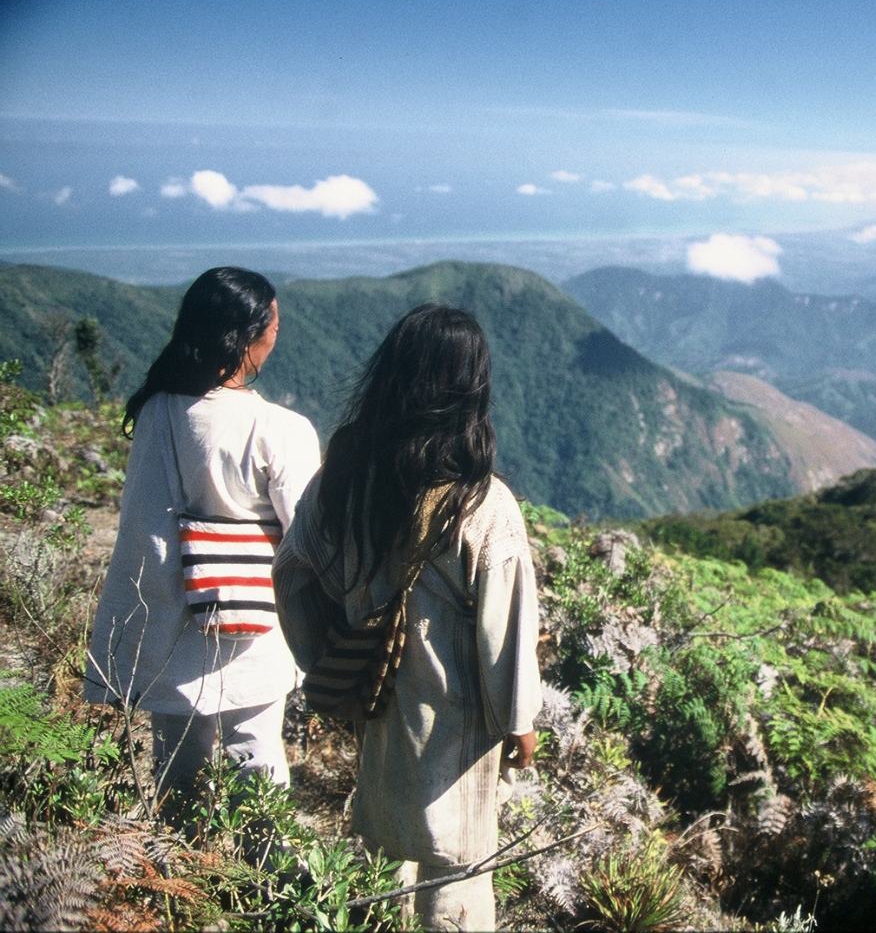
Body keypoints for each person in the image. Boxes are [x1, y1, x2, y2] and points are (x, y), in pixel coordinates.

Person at [273, 305, 542, 931]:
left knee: (378, 850)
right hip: (457, 719)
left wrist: (325, 658)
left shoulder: (341, 481)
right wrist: (520, 722)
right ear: (469, 389)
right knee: (456, 867)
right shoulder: (482, 503)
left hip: (375, 698)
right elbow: (506, 630)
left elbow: (291, 573)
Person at [84, 267, 320, 800]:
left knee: (178, 780)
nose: (277, 333)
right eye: (273, 322)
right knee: (258, 774)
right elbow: (307, 537)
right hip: (256, 617)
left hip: (170, 623)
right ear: (247, 335)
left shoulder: (157, 412)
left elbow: (141, 523)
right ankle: (261, 880)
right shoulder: (281, 429)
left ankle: (180, 878)